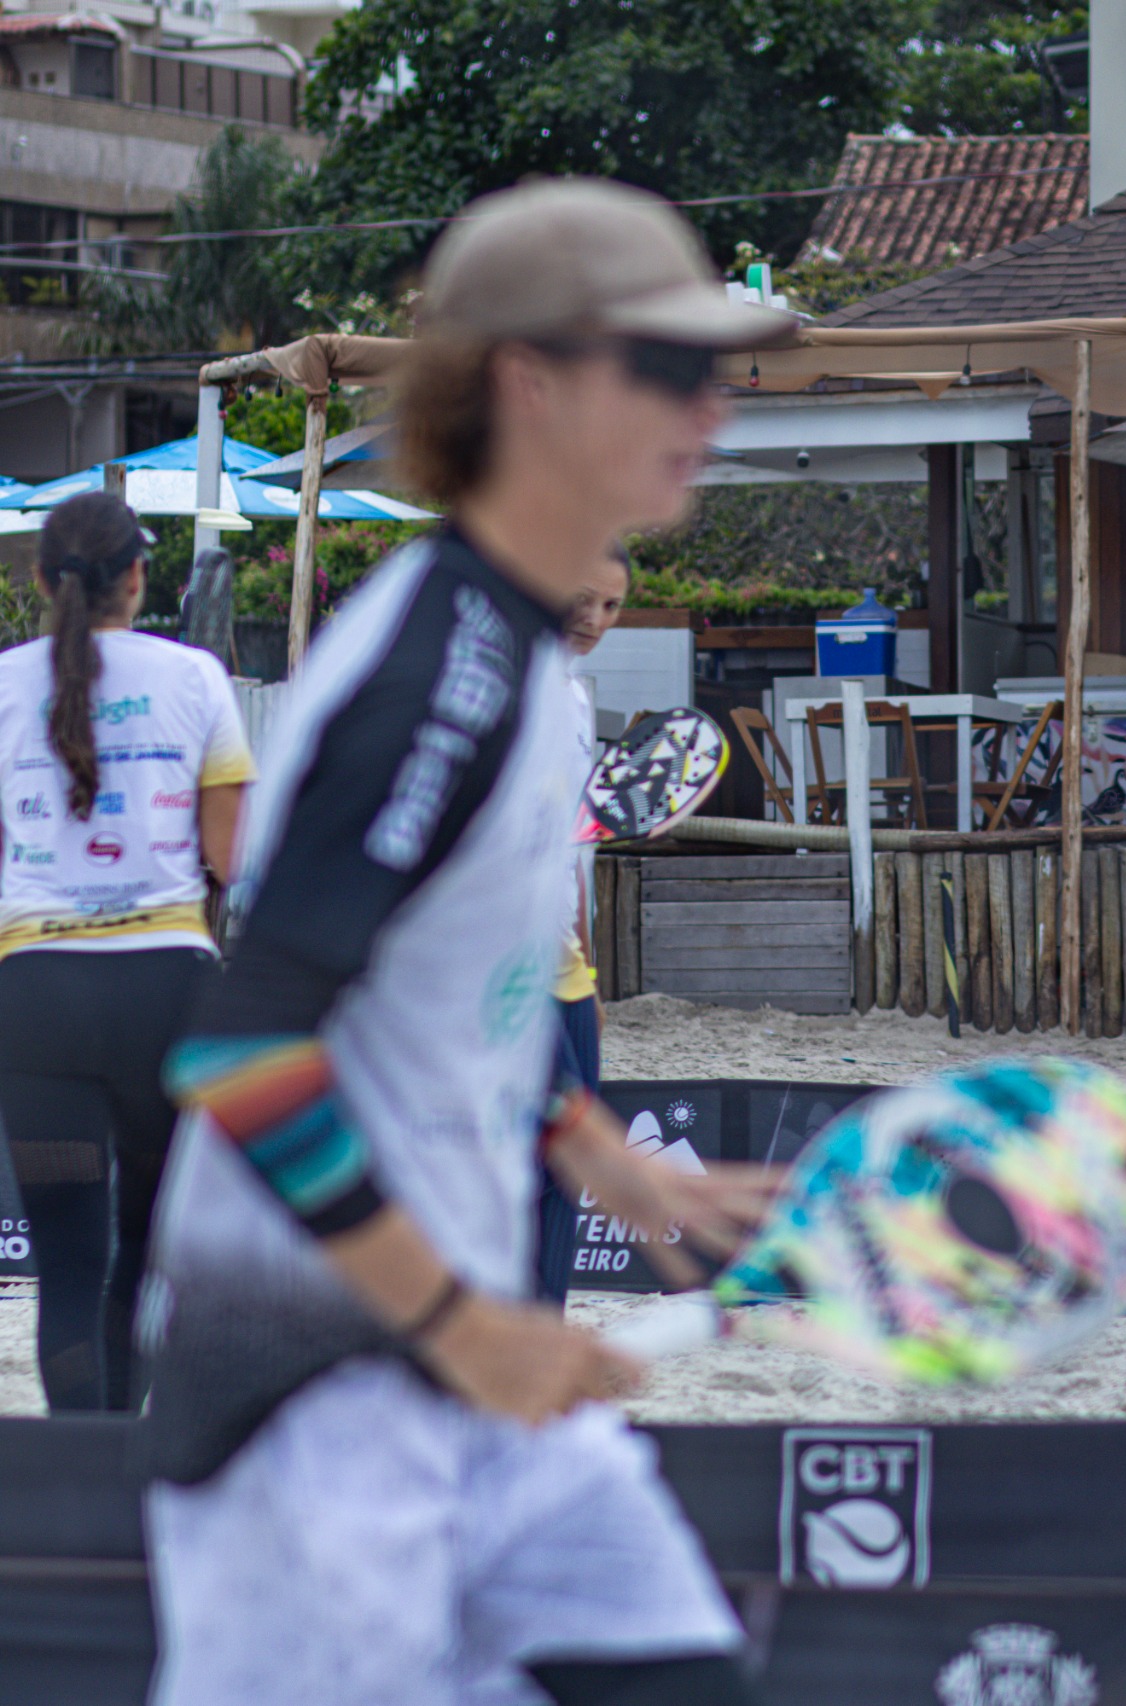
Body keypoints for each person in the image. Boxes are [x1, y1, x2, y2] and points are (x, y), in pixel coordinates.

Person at [139, 180, 791, 1706]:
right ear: (531, 383)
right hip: (315, 1382)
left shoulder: (521, 649)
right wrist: (463, 1325)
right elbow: (239, 1048)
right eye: (674, 367)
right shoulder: (439, 666)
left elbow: (448, 1007)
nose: (717, 401)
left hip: (453, 1365)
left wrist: (601, 1153)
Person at [0, 492, 251, 1411]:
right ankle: (124, 1458)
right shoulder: (194, 679)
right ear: (139, 578)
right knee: (145, 1255)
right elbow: (233, 858)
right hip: (162, 993)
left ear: (39, 580)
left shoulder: (0, 685)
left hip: (35, 998)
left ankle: (75, 1459)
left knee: (64, 1261)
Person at [534, 547, 630, 1303]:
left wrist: (589, 974)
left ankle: (544, 1331)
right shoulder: (502, 682)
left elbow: (573, 846)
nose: (595, 619)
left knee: (565, 1177)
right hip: (500, 973)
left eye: (613, 607)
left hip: (563, 969)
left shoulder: (574, 697)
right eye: (585, 597)